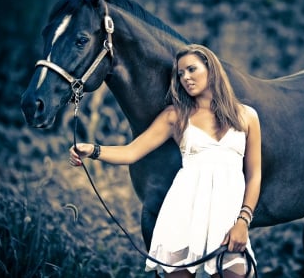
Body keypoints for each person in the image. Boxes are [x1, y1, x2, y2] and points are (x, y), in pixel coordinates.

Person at [69, 44, 261, 277]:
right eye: (180, 74)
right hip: (182, 217)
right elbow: (131, 152)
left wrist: (243, 221)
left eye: (192, 69)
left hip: (226, 221)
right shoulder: (176, 115)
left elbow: (254, 174)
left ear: (211, 69)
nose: (186, 78)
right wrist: (93, 150)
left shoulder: (247, 116)